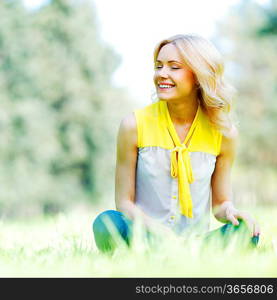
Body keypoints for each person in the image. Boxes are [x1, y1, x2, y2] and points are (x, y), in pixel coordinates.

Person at [92, 34, 261, 253]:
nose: (161, 74)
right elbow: (124, 203)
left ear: (199, 74)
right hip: (144, 238)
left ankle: (192, 257)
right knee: (107, 222)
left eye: (174, 67)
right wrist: (158, 233)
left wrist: (231, 211)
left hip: (196, 244)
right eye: (159, 66)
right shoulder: (133, 125)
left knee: (246, 230)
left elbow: (220, 203)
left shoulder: (224, 133)